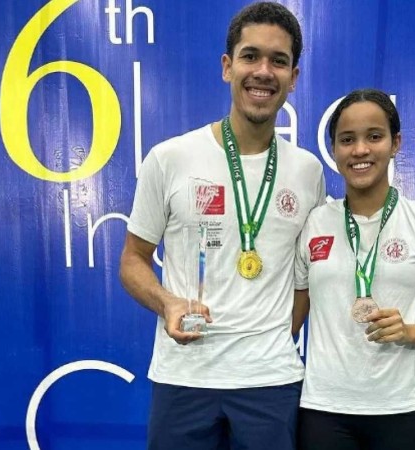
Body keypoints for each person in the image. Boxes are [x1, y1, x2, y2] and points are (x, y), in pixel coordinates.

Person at [119, 3, 325, 449]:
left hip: (271, 383)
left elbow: (312, 275)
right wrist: (168, 303)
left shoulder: (308, 172)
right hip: (184, 378)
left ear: (294, 77)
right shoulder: (170, 158)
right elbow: (132, 261)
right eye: (251, 57)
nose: (264, 72)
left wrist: (267, 340)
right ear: (227, 67)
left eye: (279, 61)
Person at [293, 88, 415, 450]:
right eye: (347, 140)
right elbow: (288, 322)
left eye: (374, 136)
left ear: (395, 143)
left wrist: (408, 332)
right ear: (334, 150)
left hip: (400, 411)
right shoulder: (313, 224)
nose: (360, 150)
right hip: (324, 411)